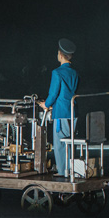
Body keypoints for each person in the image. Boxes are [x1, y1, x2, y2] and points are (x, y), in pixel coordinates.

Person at [37, 39, 79, 177]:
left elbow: (54, 93)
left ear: (60, 55)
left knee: (60, 144)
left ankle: (62, 171)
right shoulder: (74, 72)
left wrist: (46, 105)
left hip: (61, 112)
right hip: (73, 111)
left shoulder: (57, 72)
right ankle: (71, 169)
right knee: (70, 142)